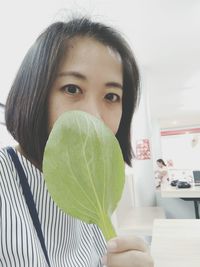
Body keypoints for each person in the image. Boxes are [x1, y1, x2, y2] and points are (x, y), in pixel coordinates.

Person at [0, 17, 153, 266]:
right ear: (34, 92)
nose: (93, 115)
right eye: (72, 89)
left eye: (111, 96)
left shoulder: (94, 186)